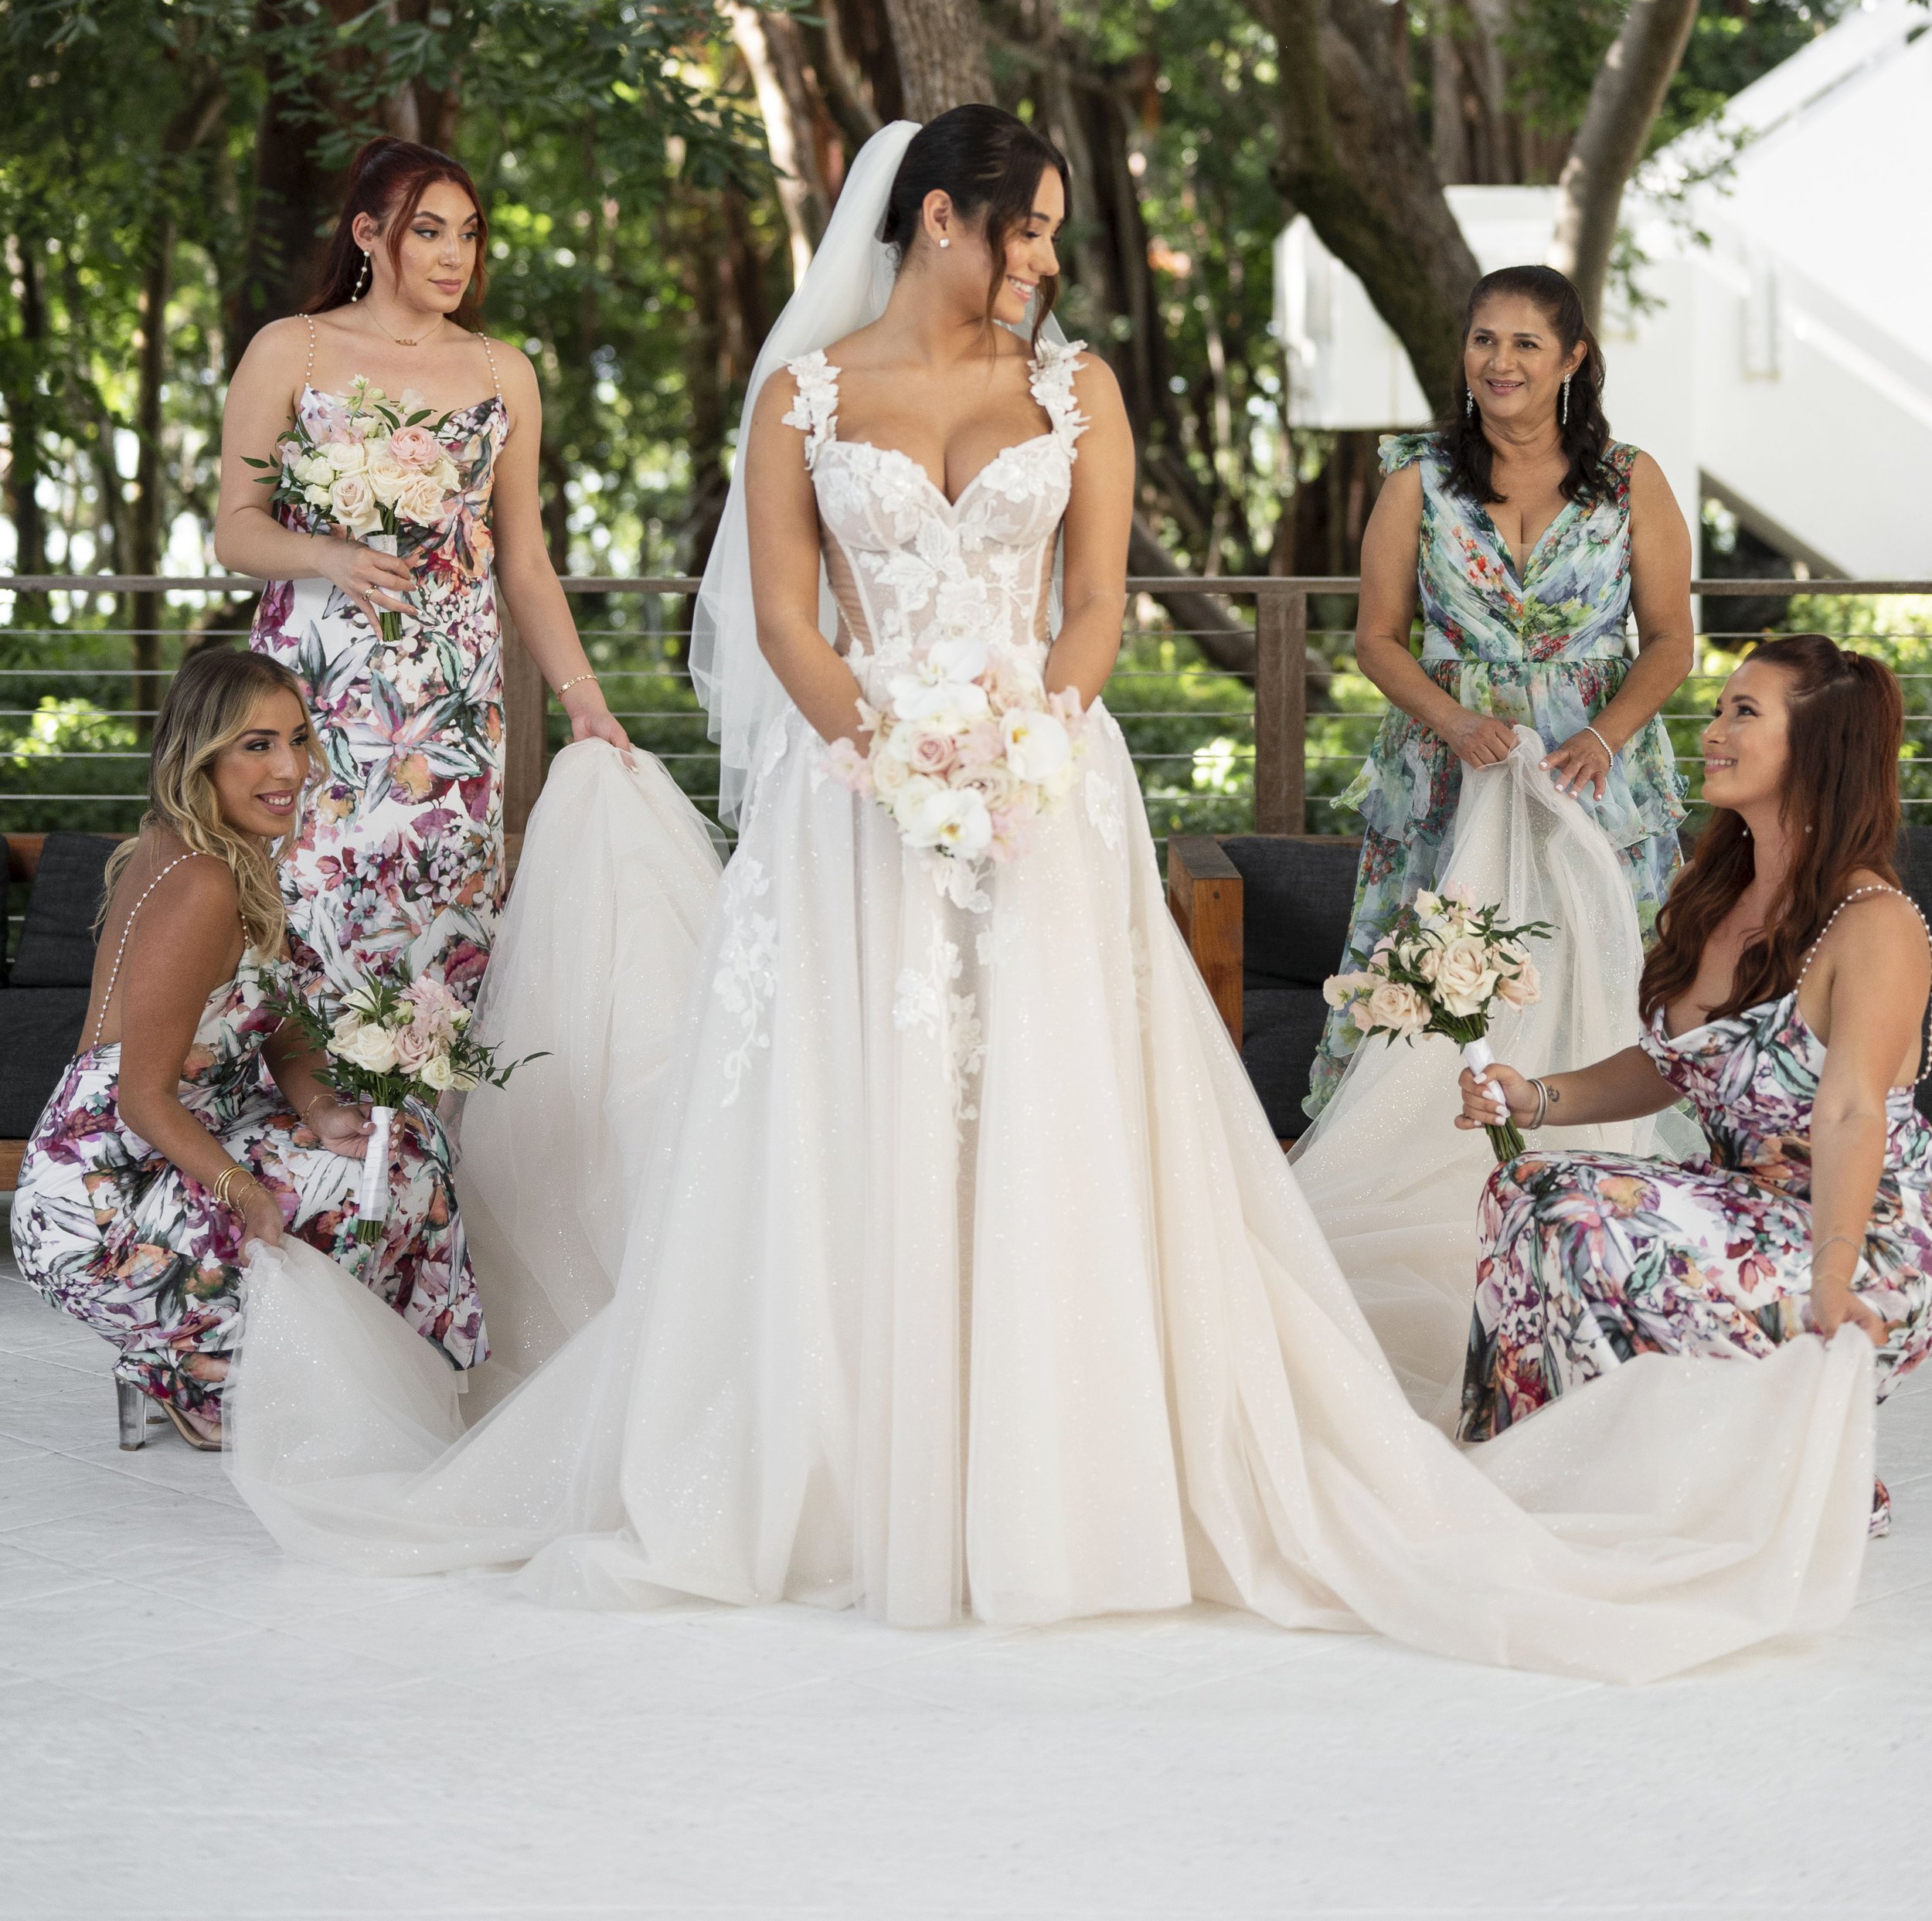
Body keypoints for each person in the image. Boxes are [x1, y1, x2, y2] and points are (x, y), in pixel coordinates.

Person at [229, 114, 1880, 1683]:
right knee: (852, 1109)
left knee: (1043, 1106)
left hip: (1041, 786)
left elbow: (1092, 599)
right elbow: (792, 617)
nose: (1041, 256)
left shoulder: (1077, 387)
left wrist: (1026, 737)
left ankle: (1055, 1467)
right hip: (850, 795)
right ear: (937, 218)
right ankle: (841, 1460)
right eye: (1024, 226)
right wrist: (878, 746)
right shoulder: (800, 391)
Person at [1457, 636, 1932, 1532]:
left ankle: (1774, 1471)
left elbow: (1850, 1108)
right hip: (1736, 1204)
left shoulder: (1876, 924)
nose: (1711, 730)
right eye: (1718, 708)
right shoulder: (1715, 889)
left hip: (1853, 1236)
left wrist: (1832, 1275)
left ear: (1818, 746)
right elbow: (1670, 1065)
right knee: (1522, 1185)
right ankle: (1554, 1466)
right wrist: (1535, 1097)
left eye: (1743, 713)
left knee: (1579, 1213)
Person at [9, 649, 484, 1448]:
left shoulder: (233, 856)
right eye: (257, 744)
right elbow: (140, 1095)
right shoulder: (199, 880)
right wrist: (244, 1191)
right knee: (310, 1236)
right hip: (98, 1191)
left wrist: (324, 1108)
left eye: (297, 738)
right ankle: (186, 1367)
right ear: (201, 755)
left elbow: (284, 1022)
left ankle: (279, 1368)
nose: (291, 767)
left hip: (191, 1137)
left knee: (396, 1153)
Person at [216, 138, 628, 1012]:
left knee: (441, 917)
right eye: (429, 230)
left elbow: (523, 559)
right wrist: (328, 553)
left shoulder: (500, 370)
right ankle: (296, 1125)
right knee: (306, 901)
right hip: (315, 689)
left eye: (470, 234)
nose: (455, 255)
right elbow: (236, 530)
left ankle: (421, 1133)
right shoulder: (290, 348)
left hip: (450, 702)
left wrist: (582, 694)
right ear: (368, 233)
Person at [1304, 265, 1692, 1121]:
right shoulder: (1417, 476)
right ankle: (1423, 1150)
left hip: (1595, 771)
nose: (1499, 360)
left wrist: (1603, 736)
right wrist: (1451, 719)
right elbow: (1374, 637)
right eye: (1484, 338)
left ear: (1571, 359)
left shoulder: (1630, 480)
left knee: (1603, 954)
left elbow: (1670, 641)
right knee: (1441, 970)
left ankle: (1595, 1138)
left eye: (1525, 342)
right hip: (1451, 765)